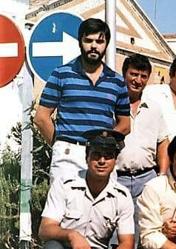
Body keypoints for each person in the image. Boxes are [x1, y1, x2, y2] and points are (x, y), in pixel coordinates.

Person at [38, 129, 140, 249]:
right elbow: (45, 229)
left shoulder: (122, 195)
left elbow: (127, 243)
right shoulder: (65, 184)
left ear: (114, 161)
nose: (102, 161)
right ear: (87, 158)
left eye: (108, 156)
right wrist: (72, 235)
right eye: (96, 155)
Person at [34, 18, 130, 183]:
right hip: (68, 155)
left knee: (103, 207)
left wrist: (105, 144)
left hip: (102, 156)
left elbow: (125, 124)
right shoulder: (61, 74)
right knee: (64, 207)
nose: (94, 46)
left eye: (99, 41)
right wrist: (60, 143)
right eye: (88, 40)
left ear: (106, 44)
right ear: (80, 42)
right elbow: (41, 117)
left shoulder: (117, 81)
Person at [113, 54, 170, 249]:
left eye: (143, 76)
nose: (137, 80)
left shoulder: (154, 108)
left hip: (145, 178)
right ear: (124, 74)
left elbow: (163, 142)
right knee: (116, 236)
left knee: (142, 235)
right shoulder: (112, 104)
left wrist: (162, 176)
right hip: (115, 178)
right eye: (133, 74)